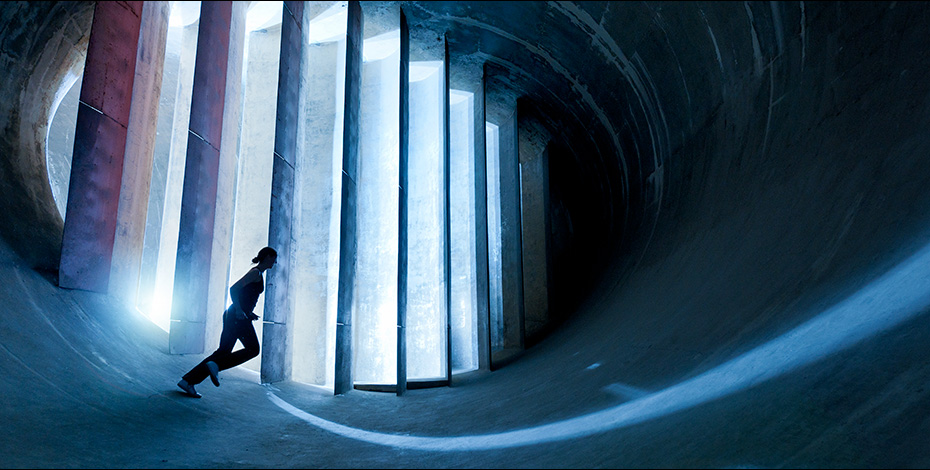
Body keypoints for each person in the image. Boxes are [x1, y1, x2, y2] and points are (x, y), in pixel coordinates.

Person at [177, 246, 277, 398]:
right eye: (274, 258)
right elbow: (233, 289)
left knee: (223, 352)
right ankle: (216, 366)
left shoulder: (258, 274)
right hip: (236, 317)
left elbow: (246, 296)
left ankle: (188, 381)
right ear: (268, 257)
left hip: (237, 316)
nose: (275, 262)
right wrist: (239, 310)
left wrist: (248, 312)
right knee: (253, 349)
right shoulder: (255, 273)